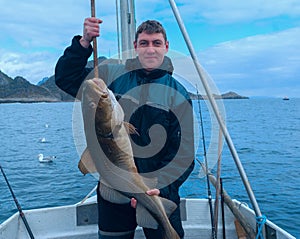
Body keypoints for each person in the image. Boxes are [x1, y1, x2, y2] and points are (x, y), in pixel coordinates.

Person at [55, 17, 195, 239]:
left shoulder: (178, 95)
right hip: (113, 189)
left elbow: (183, 154)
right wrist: (84, 43)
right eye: (144, 43)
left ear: (166, 47)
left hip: (156, 190)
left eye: (156, 43)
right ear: (135, 46)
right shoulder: (111, 76)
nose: (150, 49)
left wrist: (161, 188)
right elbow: (66, 78)